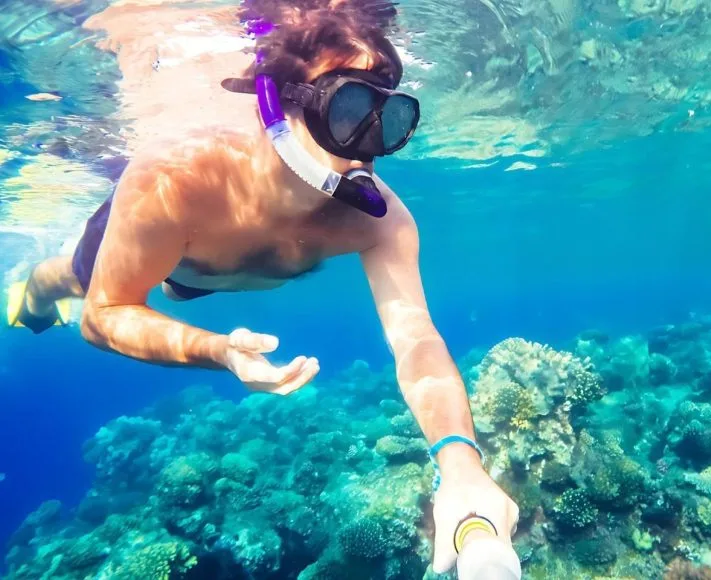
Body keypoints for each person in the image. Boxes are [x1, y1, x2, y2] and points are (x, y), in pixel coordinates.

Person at [4, 0, 518, 573]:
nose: (366, 149)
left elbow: (416, 340)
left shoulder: (376, 219)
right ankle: (31, 291)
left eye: (388, 120)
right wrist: (217, 351)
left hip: (214, 274)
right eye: (349, 111)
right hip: (181, 252)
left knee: (182, 292)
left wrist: (462, 466)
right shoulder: (173, 182)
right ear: (278, 106)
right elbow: (106, 313)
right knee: (73, 278)